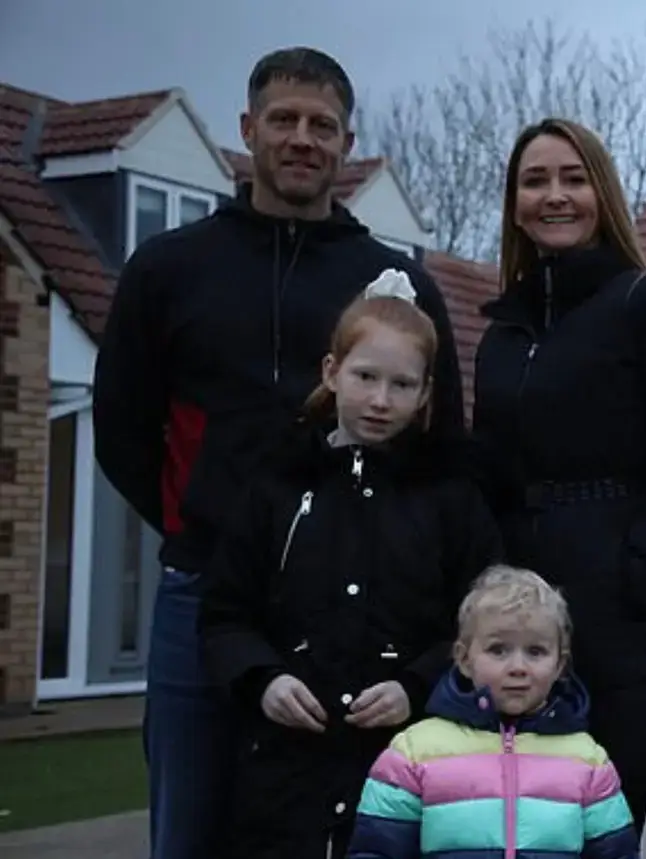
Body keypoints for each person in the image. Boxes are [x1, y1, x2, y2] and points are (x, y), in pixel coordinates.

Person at [91, 47, 466, 859]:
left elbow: (443, 443)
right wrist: (195, 523)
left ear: (347, 142)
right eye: (285, 120)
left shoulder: (391, 280)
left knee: (346, 836)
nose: (303, 138)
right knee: (188, 828)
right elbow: (121, 425)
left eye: (323, 125)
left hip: (363, 608)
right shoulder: (169, 268)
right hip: (203, 595)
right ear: (247, 130)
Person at [469, 117, 646, 836]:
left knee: (599, 836)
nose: (554, 196)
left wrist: (643, 577)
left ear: (602, 193)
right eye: (535, 180)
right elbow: (485, 472)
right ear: (514, 202)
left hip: (624, 627)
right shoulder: (503, 336)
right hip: (522, 627)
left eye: (572, 178)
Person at [198, 272, 501, 859]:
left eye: (402, 384)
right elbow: (224, 615)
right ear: (332, 372)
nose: (381, 401)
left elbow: (481, 625)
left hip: (411, 770)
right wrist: (263, 679)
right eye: (365, 378)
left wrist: (417, 685)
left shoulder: (452, 498)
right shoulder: (276, 487)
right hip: (285, 773)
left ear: (425, 394)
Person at [347, 564, 640, 859]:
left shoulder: (588, 761)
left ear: (560, 665)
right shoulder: (412, 753)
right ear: (463, 658)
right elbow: (376, 851)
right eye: (498, 650)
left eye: (536, 651)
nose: (518, 668)